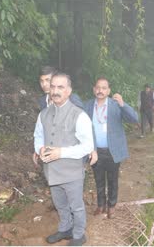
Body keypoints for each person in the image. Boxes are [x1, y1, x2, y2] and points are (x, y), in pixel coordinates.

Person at [33, 73, 94, 246]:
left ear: (69, 91)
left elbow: (87, 146)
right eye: (53, 87)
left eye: (60, 87)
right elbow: (38, 135)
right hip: (51, 171)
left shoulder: (79, 115)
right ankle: (65, 228)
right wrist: (40, 148)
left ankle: (79, 235)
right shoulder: (43, 114)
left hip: (71, 172)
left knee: (77, 206)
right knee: (60, 204)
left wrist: (61, 152)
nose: (55, 91)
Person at [84, 78, 138, 219]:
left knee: (113, 180)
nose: (100, 90)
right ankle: (101, 205)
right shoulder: (88, 106)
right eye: (98, 87)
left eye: (104, 88)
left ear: (108, 90)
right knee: (98, 179)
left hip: (112, 150)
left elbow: (134, 119)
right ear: (94, 89)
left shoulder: (116, 105)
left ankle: (112, 205)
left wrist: (123, 104)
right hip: (95, 151)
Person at [33, 66, 84, 166]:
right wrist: (39, 149)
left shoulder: (72, 99)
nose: (44, 84)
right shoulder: (42, 101)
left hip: (70, 156)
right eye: (41, 81)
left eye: (47, 80)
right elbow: (43, 128)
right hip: (51, 155)